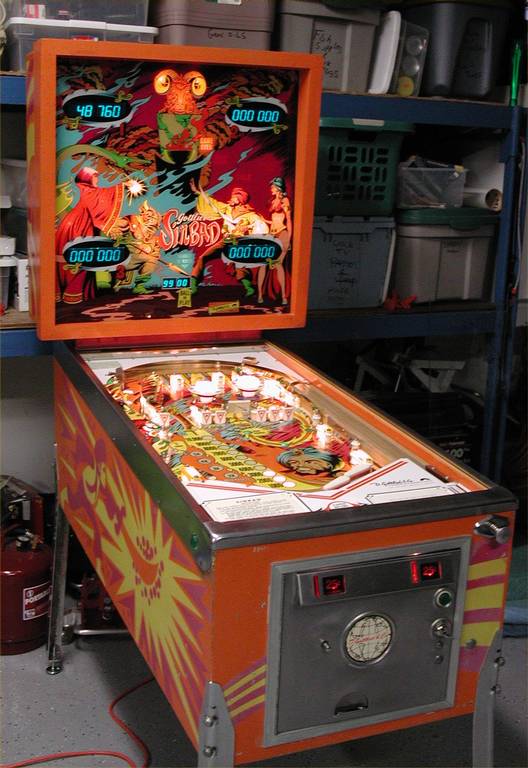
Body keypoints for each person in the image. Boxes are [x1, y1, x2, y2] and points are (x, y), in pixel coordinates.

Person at [55, 166, 124, 304]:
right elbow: (98, 208)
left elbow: (103, 195)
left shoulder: (88, 190)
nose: (97, 179)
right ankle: (73, 293)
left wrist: (123, 185)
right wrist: (123, 186)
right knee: (82, 256)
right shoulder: (89, 192)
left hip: (73, 224)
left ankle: (69, 292)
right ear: (87, 178)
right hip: (78, 227)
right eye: (95, 176)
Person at [189, 180, 269, 296]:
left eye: (233, 197)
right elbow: (211, 203)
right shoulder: (226, 209)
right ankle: (193, 286)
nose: (231, 199)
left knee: (239, 266)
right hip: (226, 241)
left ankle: (249, 288)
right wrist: (197, 192)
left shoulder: (251, 215)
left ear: (240, 200)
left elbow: (260, 228)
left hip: (238, 243)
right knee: (203, 257)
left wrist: (249, 230)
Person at [257, 176, 292, 305]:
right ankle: (260, 295)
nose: (271, 189)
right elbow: (274, 220)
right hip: (271, 235)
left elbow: (288, 220)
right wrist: (264, 220)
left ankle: (283, 296)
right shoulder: (272, 201)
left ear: (277, 187)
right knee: (263, 264)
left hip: (282, 233)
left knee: (278, 264)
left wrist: (289, 239)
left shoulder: (285, 200)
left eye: (272, 187)